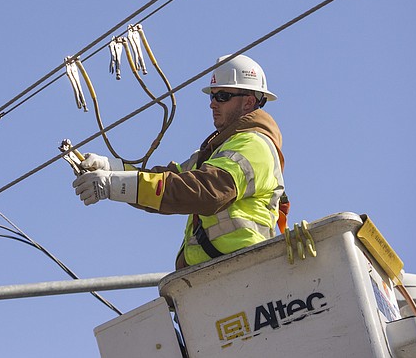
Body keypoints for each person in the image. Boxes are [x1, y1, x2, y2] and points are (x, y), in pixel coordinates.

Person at [72, 54, 286, 269]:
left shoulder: (253, 144)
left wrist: (116, 185)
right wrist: (113, 170)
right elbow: (167, 180)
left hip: (243, 269)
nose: (212, 104)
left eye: (222, 96)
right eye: (211, 96)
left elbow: (206, 191)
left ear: (249, 101)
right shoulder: (215, 153)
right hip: (213, 274)